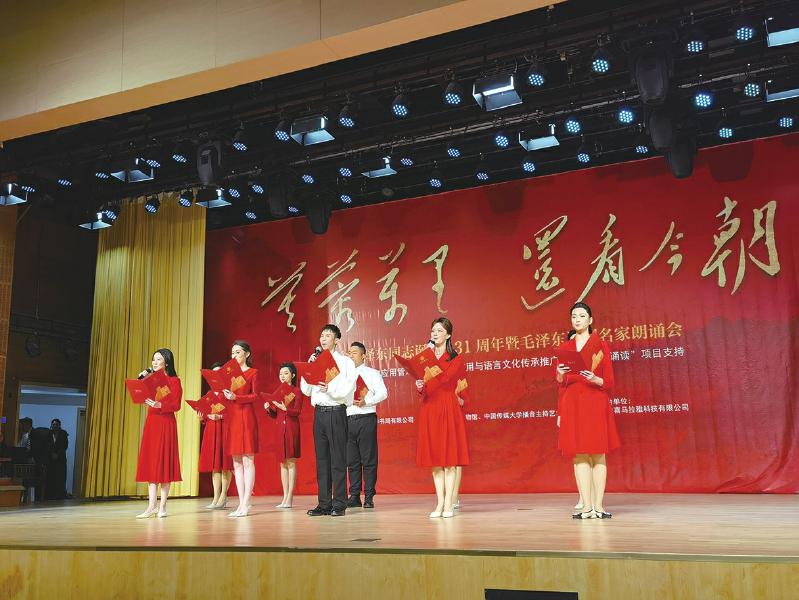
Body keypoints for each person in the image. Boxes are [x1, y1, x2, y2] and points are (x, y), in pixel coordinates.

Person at [555, 302, 620, 519]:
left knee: (598, 453)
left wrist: (595, 378)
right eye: (574, 316)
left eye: (582, 316)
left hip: (595, 401)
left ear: (590, 320)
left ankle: (598, 506)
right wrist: (560, 373)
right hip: (572, 403)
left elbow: (609, 381)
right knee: (579, 455)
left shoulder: (600, 344)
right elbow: (561, 383)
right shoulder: (566, 347)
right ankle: (586, 507)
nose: (577, 319)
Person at [416, 317, 470, 518]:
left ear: (448, 335)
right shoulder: (425, 359)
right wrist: (420, 386)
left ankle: (449, 503)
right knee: (436, 461)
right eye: (433, 330)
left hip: (447, 407)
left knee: (449, 460)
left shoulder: (455, 358)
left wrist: (429, 362)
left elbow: (446, 379)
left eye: (439, 330)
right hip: (430, 408)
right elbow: (426, 386)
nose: (435, 334)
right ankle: (439, 503)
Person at [302, 324, 357, 517]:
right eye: (322, 335)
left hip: (336, 411)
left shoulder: (345, 362)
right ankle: (324, 504)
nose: (323, 339)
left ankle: (339, 503)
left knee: (338, 459)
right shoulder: (315, 359)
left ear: (336, 340)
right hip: (319, 413)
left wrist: (330, 389)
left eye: (327, 335)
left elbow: (350, 387)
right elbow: (306, 390)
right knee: (322, 460)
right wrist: (308, 369)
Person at [135, 348, 183, 519]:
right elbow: (140, 395)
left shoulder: (174, 381)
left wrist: (160, 405)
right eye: (153, 359)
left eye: (158, 359)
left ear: (167, 362)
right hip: (152, 422)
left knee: (164, 463)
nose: (154, 362)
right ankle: (151, 507)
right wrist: (141, 382)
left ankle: (162, 506)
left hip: (166, 422)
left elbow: (176, 405)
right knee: (151, 463)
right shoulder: (149, 379)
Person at [346, 342, 388, 509]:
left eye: (354, 352)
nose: (351, 355)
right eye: (349, 353)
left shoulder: (372, 373)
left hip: (366, 418)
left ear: (363, 356)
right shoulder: (343, 374)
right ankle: (354, 496)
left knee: (369, 459)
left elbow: (383, 393)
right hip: (348, 419)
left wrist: (367, 401)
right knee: (352, 461)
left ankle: (369, 496)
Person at [222, 340, 260, 518]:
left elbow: (255, 396)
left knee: (247, 460)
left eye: (237, 352)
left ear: (247, 354)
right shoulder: (229, 375)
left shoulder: (253, 372)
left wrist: (236, 397)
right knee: (236, 462)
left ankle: (246, 502)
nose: (234, 356)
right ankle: (241, 503)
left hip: (246, 417)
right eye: (232, 353)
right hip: (233, 418)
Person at [265, 363, 304, 509]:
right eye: (280, 374)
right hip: (280, 428)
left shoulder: (297, 391)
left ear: (292, 375)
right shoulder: (278, 392)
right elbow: (275, 414)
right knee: (282, 463)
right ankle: (284, 496)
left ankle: (290, 497)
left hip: (291, 428)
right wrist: (269, 409)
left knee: (291, 462)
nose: (282, 376)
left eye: (286, 373)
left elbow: (297, 411)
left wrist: (285, 408)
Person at [197, 362, 233, 509]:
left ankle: (224, 496)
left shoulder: (229, 393)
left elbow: (234, 413)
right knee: (215, 466)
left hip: (225, 429)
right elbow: (205, 414)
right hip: (212, 431)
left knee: (225, 465)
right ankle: (216, 497)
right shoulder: (209, 395)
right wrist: (203, 417)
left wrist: (221, 416)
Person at [46, 419, 69, 499]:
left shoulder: (63, 434)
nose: (55, 426)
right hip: (50, 460)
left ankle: (59, 495)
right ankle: (50, 496)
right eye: (53, 424)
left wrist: (57, 454)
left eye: (56, 424)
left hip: (60, 460)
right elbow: (47, 446)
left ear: (59, 425)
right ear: (51, 425)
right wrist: (51, 453)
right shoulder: (48, 434)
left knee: (60, 478)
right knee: (51, 477)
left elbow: (65, 446)